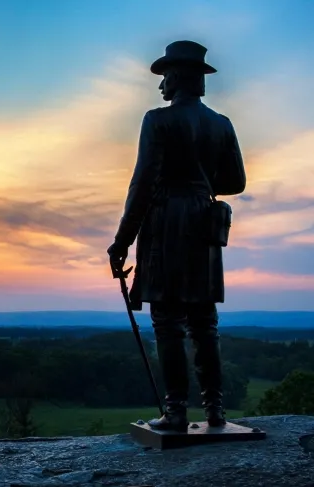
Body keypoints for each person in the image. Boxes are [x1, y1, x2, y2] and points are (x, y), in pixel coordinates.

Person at [107, 40, 246, 432]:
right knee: (205, 321)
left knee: (167, 319)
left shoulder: (158, 120)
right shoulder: (222, 124)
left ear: (179, 78)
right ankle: (216, 411)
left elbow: (143, 183)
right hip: (203, 221)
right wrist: (200, 180)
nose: (160, 85)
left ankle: (177, 411)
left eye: (165, 76)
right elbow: (235, 181)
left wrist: (122, 239)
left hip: (168, 221)